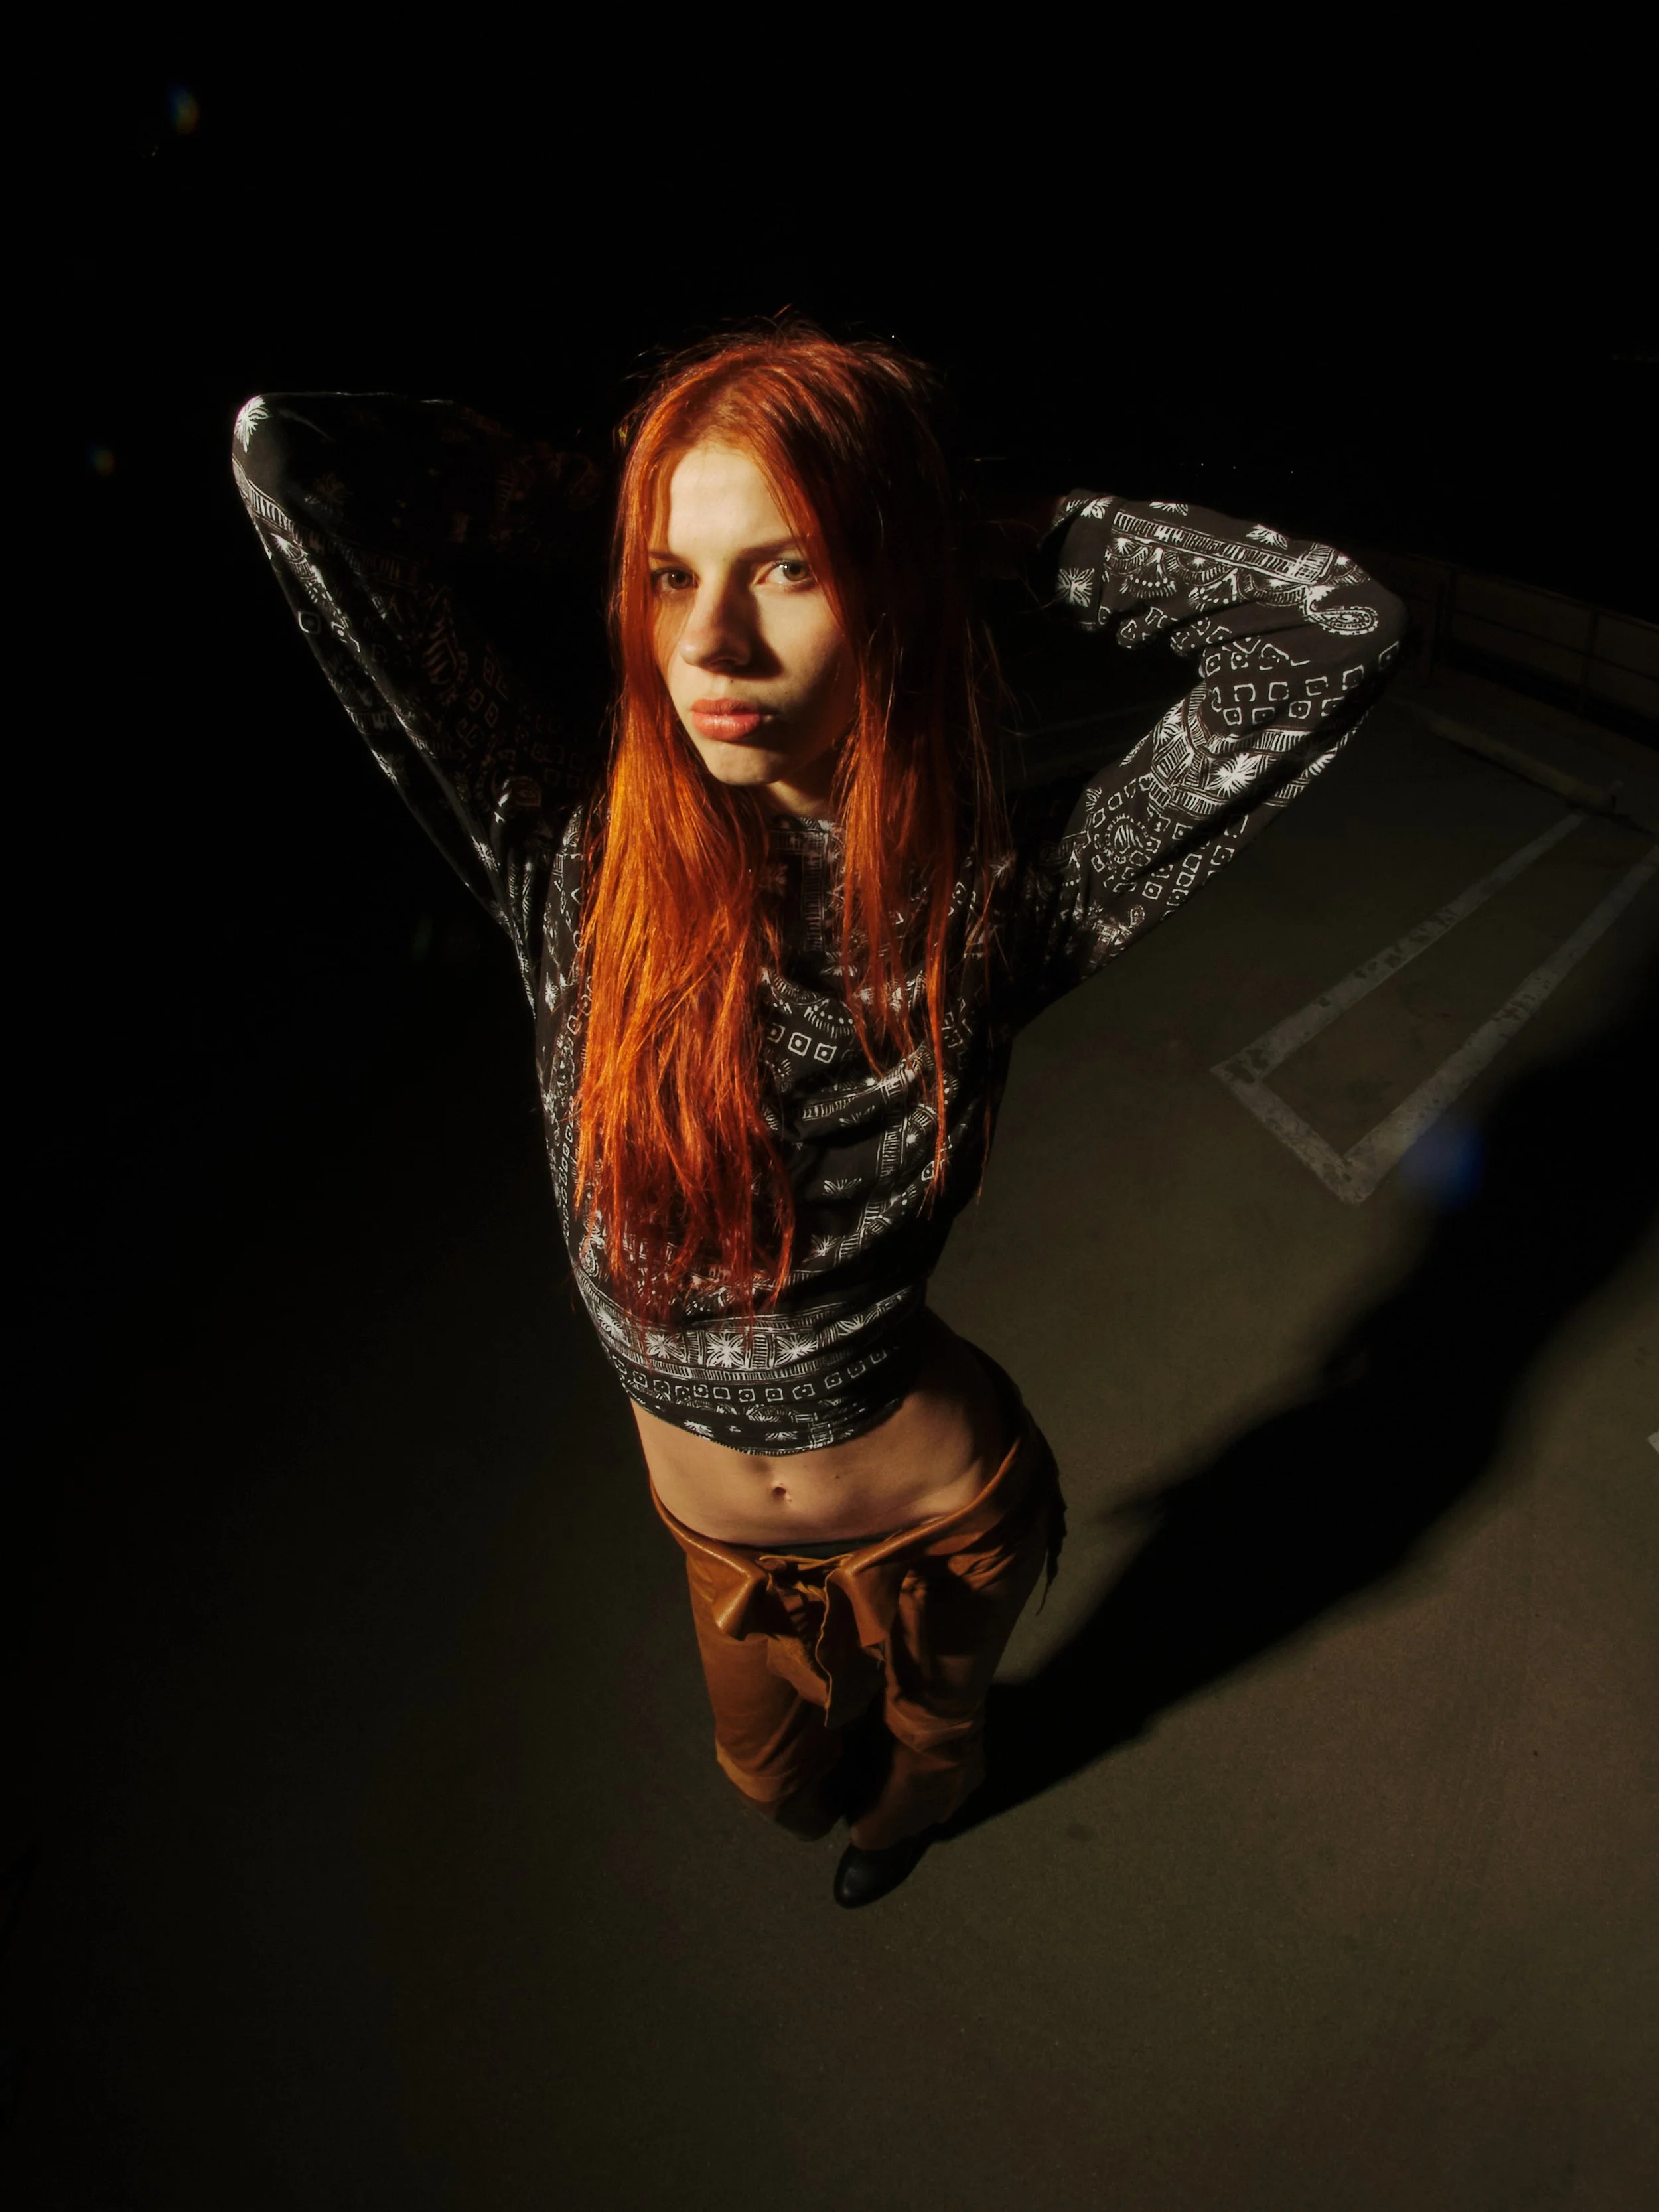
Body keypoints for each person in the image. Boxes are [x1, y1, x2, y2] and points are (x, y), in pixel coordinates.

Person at [232, 322, 1406, 1907]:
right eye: (670, 577)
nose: (711, 643)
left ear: (891, 593)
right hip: (718, 1535)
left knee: (932, 1747)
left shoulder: (990, 911)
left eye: (788, 570)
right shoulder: (565, 863)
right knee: (773, 1780)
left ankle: (925, 1796)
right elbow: (290, 461)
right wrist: (615, 500)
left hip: (951, 1502)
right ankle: (866, 1779)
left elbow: (1331, 628)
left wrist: (936, 526)